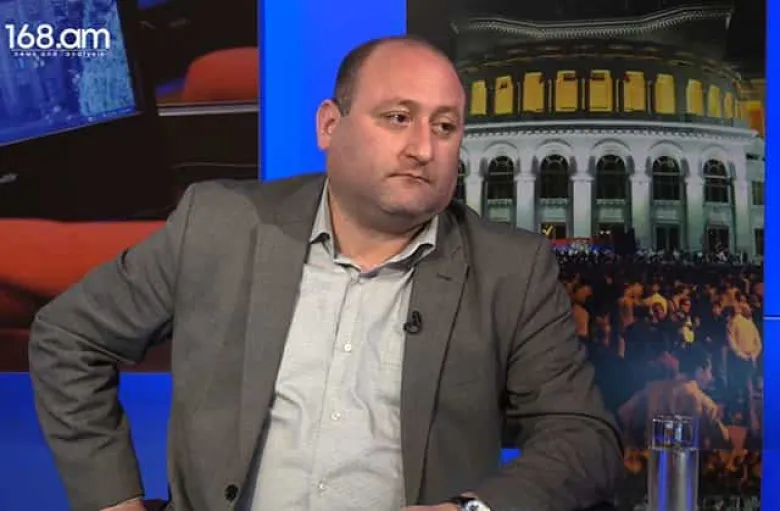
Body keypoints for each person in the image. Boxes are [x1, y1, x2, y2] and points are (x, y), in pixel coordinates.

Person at [28, 35, 624, 511]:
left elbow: (584, 437)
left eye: (445, 127)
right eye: (398, 117)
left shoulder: (509, 268)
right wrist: (113, 500)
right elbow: (68, 337)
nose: (423, 148)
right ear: (329, 126)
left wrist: (471, 510)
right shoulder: (218, 224)